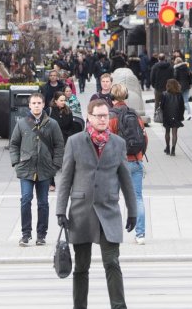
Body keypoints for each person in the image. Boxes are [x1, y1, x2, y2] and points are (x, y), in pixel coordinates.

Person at [55, 99, 137, 309]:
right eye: (99, 116)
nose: (103, 119)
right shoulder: (74, 141)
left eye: (106, 116)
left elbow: (126, 179)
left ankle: (119, 306)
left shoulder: (118, 143)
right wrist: (60, 210)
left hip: (108, 211)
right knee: (81, 267)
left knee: (112, 262)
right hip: (81, 213)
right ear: (89, 117)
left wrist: (133, 211)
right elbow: (65, 179)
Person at [10, 93, 64, 246]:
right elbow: (14, 144)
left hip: (45, 169)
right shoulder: (21, 123)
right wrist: (16, 162)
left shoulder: (52, 124)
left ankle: (41, 234)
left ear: (43, 104)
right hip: (26, 168)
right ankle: (26, 234)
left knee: (43, 203)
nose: (36, 105)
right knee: (26, 199)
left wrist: (56, 165)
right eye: (33, 103)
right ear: (29, 105)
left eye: (39, 103)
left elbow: (59, 145)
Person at [109, 83, 148, 245]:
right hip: (135, 160)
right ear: (125, 96)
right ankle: (140, 235)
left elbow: (108, 141)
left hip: (117, 164)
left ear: (112, 97)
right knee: (137, 198)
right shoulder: (135, 114)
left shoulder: (111, 116)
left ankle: (114, 234)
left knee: (112, 199)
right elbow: (144, 138)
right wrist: (139, 155)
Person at [160, 78, 185, 156]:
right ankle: (173, 150)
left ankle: (167, 148)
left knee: (167, 132)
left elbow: (162, 106)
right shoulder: (179, 94)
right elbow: (182, 106)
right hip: (176, 115)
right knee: (174, 133)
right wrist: (181, 116)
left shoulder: (164, 94)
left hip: (167, 115)